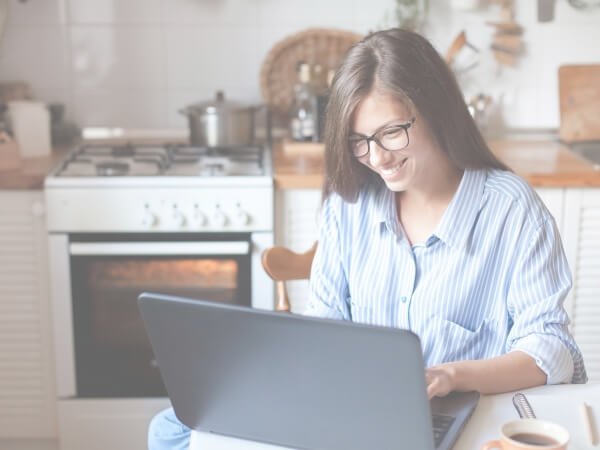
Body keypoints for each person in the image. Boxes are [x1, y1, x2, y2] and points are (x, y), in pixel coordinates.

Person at [148, 28, 586, 450]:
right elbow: (326, 321)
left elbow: (550, 351)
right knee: (170, 429)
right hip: (352, 411)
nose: (377, 158)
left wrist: (452, 375)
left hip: (459, 418)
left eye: (392, 132)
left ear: (437, 111)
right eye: (360, 140)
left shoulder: (510, 210)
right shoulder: (351, 203)